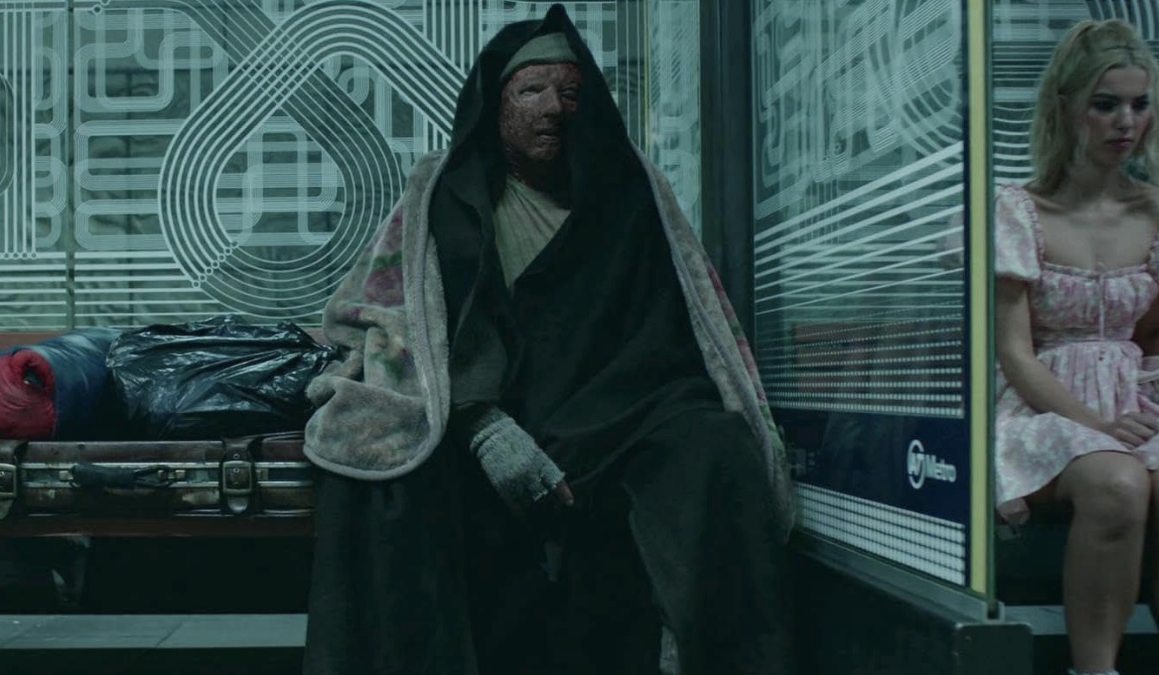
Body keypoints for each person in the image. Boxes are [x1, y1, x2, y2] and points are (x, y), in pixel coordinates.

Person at [297, 5, 794, 674]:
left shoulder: (629, 194)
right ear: (497, 104)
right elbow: (402, 318)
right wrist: (484, 426)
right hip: (487, 406)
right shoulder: (445, 191)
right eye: (532, 90)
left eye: (570, 93)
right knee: (382, 474)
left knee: (715, 448)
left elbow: (663, 333)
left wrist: (604, 420)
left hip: (618, 408)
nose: (554, 108)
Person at [992, 19, 1159, 675]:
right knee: (1116, 483)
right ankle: (1095, 670)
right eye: (1105, 104)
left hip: (1134, 398)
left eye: (1138, 104)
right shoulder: (1018, 211)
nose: (1125, 122)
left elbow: (1151, 334)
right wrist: (1094, 424)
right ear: (1066, 107)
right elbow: (1015, 353)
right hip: (1043, 403)